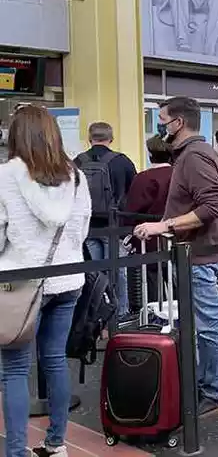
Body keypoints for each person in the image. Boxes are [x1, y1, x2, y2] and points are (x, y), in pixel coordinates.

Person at [0, 106, 92, 457]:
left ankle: (15, 452)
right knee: (54, 360)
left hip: (21, 285)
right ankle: (56, 444)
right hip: (67, 279)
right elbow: (81, 229)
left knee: (15, 370)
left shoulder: (5, 176)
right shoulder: (77, 177)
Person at [133, 96, 218, 415]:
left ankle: (215, 391)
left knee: (210, 324)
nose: (159, 125)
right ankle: (206, 383)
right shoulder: (190, 155)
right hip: (192, 253)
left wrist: (164, 225)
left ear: (179, 122)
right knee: (202, 324)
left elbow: (211, 206)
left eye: (162, 119)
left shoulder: (196, 156)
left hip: (199, 256)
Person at [75, 122, 136, 318]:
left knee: (94, 273)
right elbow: (133, 191)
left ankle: (96, 314)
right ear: (111, 138)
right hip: (114, 225)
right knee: (118, 271)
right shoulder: (122, 161)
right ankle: (120, 314)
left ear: (89, 138)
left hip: (89, 227)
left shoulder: (77, 162)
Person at [123, 136, 174, 302]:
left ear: (150, 153)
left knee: (152, 285)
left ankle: (154, 320)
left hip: (149, 241)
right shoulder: (181, 175)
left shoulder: (143, 178)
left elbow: (132, 211)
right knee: (179, 284)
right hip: (179, 237)